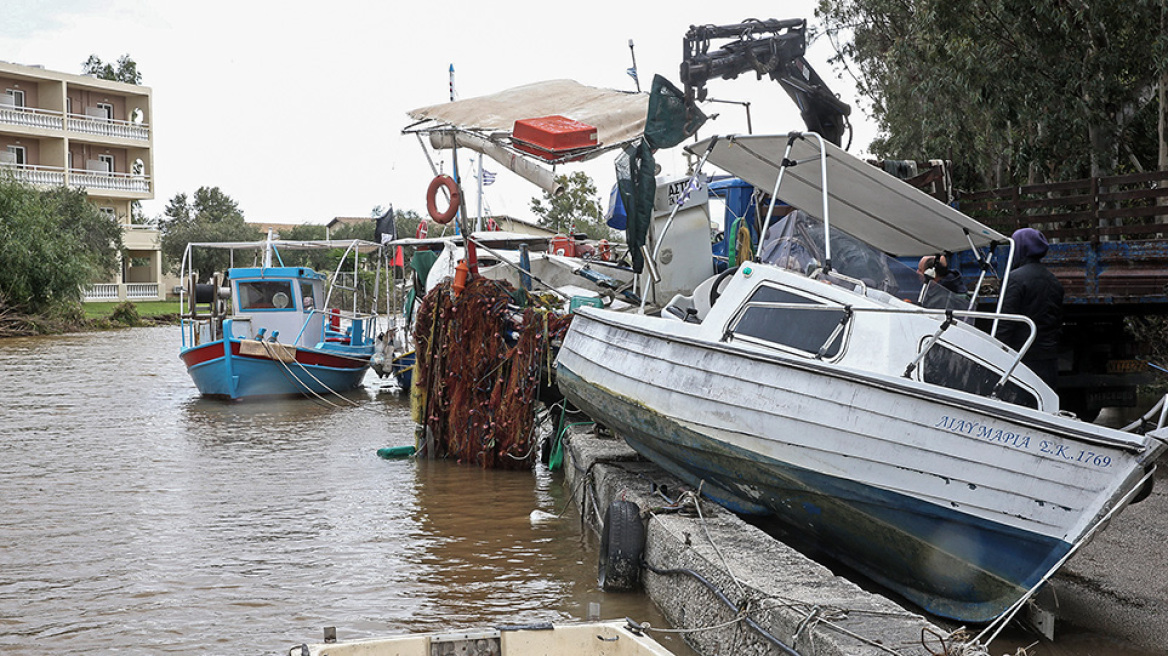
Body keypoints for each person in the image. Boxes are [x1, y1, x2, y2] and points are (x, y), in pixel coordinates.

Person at [997, 228, 1064, 390]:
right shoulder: (1054, 281)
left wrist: (998, 354)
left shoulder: (1014, 279)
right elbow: (1057, 321)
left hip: (1022, 357)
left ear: (1020, 248)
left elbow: (1005, 323)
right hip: (1048, 358)